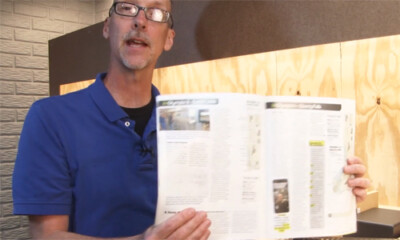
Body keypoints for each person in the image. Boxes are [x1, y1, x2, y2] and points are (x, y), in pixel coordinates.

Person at [12, 0, 370, 239]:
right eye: (127, 8)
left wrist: (333, 192)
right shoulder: (51, 117)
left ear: (168, 39)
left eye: (155, 14)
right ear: (108, 27)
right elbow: (45, 236)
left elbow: (251, 206)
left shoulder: (195, 120)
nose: (140, 20)